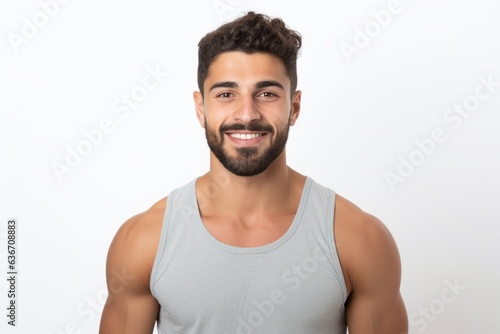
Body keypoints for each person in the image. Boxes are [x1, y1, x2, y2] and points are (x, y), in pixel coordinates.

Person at [99, 11, 408, 334]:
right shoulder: (143, 240)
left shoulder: (358, 239)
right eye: (226, 94)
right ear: (200, 108)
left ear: (295, 107)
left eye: (267, 94)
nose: (247, 114)